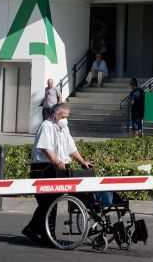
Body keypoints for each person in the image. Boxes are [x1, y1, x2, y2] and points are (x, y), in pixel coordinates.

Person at [22, 103, 92, 244]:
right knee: (47, 203)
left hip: (59, 167)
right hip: (44, 168)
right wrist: (56, 160)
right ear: (54, 116)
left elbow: (71, 148)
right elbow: (45, 148)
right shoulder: (46, 126)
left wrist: (82, 161)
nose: (65, 120)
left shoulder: (64, 128)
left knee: (52, 202)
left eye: (67, 117)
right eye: (63, 116)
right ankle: (46, 235)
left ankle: (34, 230)